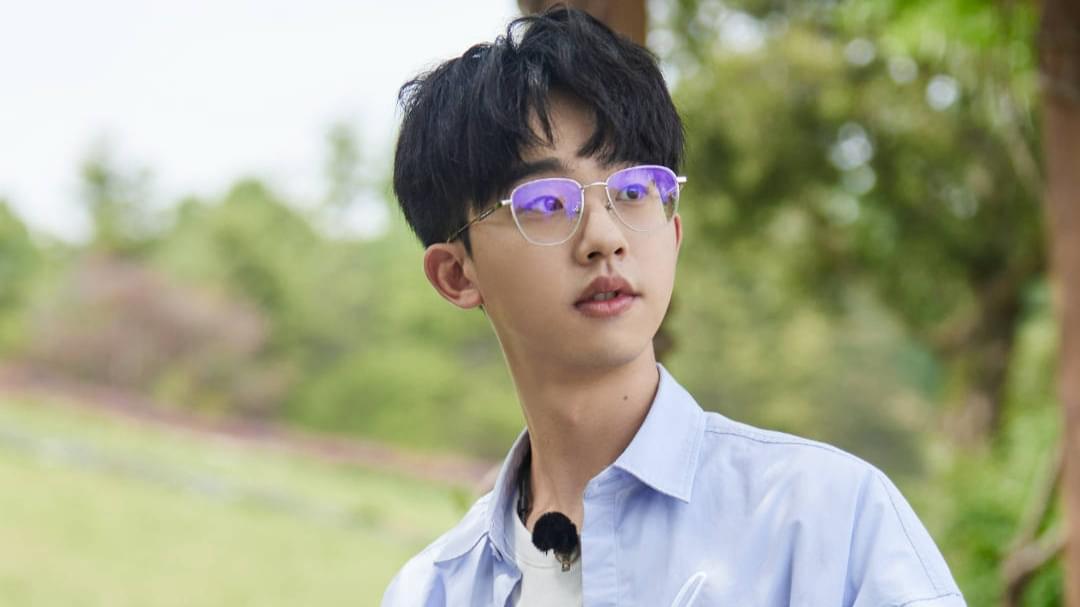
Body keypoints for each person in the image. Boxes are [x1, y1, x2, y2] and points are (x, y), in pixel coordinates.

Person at [383, 6, 965, 606]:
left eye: (634, 190)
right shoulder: (432, 591)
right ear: (456, 274)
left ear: (674, 235)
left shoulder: (827, 520)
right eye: (548, 202)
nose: (605, 238)